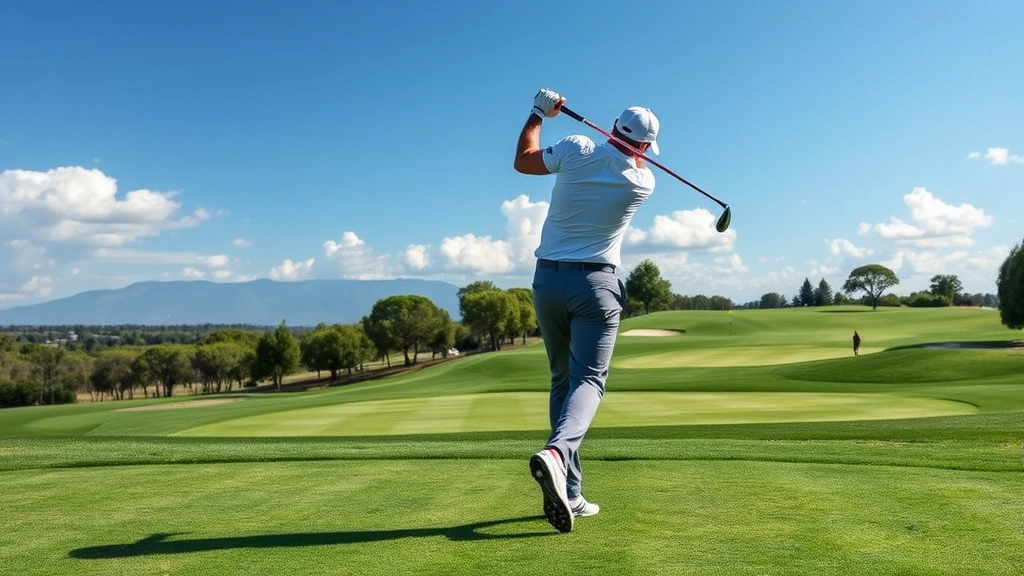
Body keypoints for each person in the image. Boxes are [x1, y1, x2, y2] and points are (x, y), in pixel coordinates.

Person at [514, 88, 661, 533]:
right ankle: (557, 454)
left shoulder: (576, 148)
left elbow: (524, 161)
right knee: (590, 380)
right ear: (645, 147)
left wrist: (540, 113)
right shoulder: (641, 183)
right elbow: (633, 161)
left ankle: (572, 493)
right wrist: (635, 151)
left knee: (562, 380)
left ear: (614, 127)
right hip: (596, 285)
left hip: (547, 282)